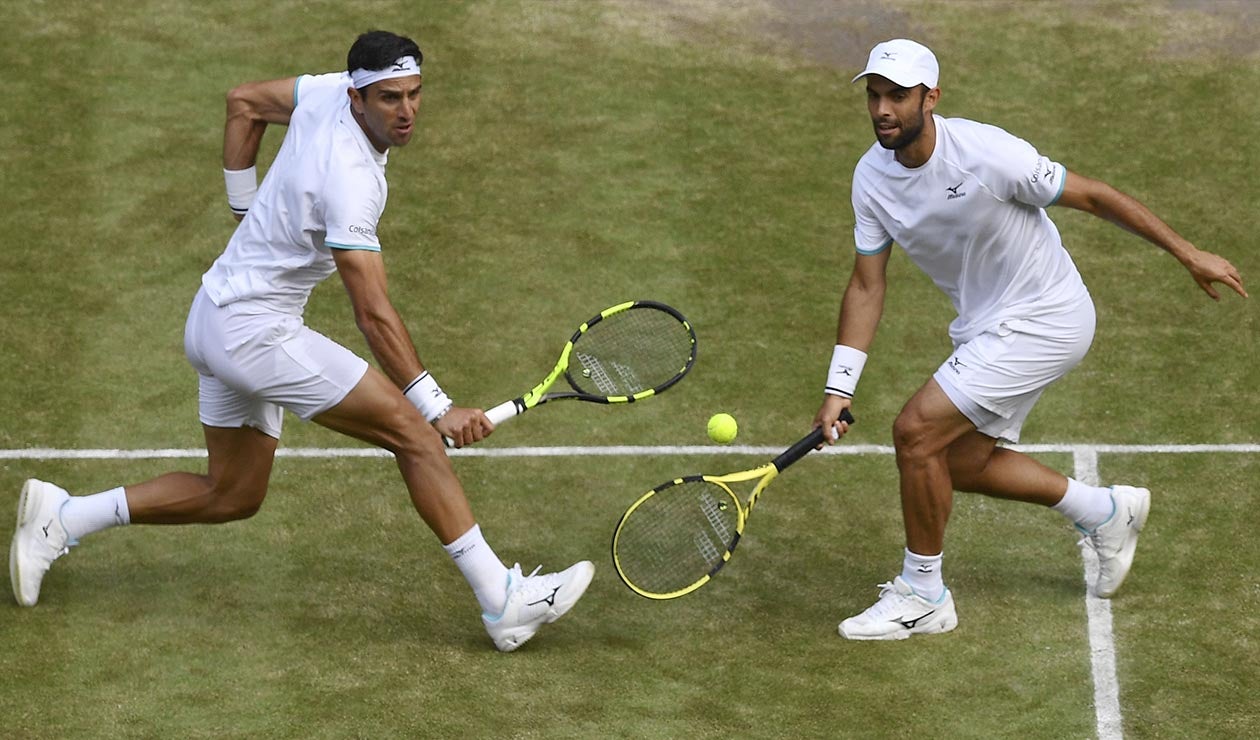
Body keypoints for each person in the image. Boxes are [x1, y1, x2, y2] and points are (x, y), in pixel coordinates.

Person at [9, 30, 594, 652]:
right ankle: (502, 600)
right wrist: (436, 406)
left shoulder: (324, 93)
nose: (406, 111)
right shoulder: (352, 182)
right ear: (358, 98)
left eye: (415, 94)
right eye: (390, 98)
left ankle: (62, 518)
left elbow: (244, 102)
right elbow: (372, 313)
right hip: (254, 333)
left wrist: (245, 212)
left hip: (212, 315)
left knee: (233, 493)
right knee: (416, 435)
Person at [814, 39, 1247, 641]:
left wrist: (1188, 253)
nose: (883, 109)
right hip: (987, 324)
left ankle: (923, 594)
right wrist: (839, 388)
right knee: (956, 462)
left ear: (930, 99)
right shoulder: (870, 178)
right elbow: (867, 285)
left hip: (1048, 315)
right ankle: (1105, 512)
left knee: (915, 432)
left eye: (898, 96)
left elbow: (1092, 195)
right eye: (874, 95)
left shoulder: (988, 155)